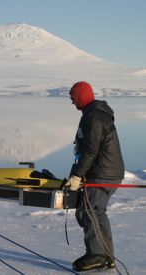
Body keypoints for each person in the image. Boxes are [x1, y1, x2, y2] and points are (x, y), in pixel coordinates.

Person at [66, 81, 124, 272]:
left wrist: (77, 176)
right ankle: (106, 256)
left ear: (81, 96)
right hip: (104, 171)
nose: (72, 102)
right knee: (96, 211)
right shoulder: (92, 114)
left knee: (89, 211)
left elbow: (90, 151)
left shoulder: (95, 117)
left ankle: (97, 255)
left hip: (103, 173)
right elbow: (85, 150)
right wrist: (78, 173)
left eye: (73, 98)